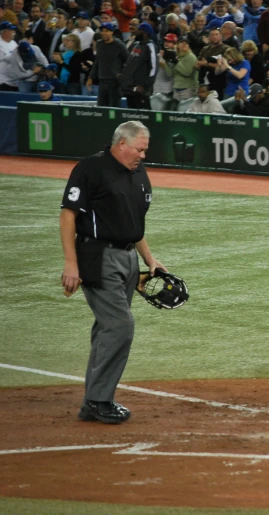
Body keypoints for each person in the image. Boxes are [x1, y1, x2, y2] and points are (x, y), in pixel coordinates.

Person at [60, 121, 165, 425]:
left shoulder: (138, 173)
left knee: (108, 328)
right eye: (140, 149)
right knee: (120, 326)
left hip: (128, 258)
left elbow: (133, 223)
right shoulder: (90, 169)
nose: (143, 155)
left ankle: (92, 400)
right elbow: (68, 216)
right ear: (122, 143)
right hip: (97, 256)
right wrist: (71, 263)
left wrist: (150, 259)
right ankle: (98, 400)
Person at [88, 23, 128, 107]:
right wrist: (91, 77)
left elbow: (128, 61)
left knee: (114, 108)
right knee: (101, 108)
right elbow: (97, 62)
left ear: (112, 32)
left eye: (107, 31)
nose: (104, 33)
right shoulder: (99, 44)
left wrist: (121, 76)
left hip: (114, 82)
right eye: (102, 31)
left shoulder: (119, 45)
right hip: (102, 80)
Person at [120, 22, 157, 109]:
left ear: (145, 33)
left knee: (144, 117)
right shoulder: (136, 44)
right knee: (131, 117)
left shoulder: (150, 46)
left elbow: (154, 68)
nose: (136, 31)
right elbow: (129, 64)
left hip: (141, 90)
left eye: (139, 30)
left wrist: (145, 86)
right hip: (130, 88)